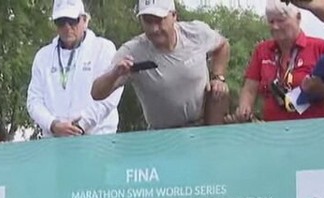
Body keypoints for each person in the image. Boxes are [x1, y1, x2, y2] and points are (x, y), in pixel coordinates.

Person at [90, 0, 231, 129]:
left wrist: (218, 77)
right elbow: (97, 93)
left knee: (220, 93)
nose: (154, 29)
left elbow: (222, 45)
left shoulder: (196, 33)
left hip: (203, 126)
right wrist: (115, 74)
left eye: (159, 21)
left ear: (174, 16)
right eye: (148, 21)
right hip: (162, 133)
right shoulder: (132, 51)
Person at [234, 0, 324, 122]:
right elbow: (249, 89)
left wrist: (321, 88)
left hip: (315, 130)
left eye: (281, 20)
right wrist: (245, 107)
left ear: (298, 17)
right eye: (271, 21)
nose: (275, 26)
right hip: (273, 131)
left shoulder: (321, 47)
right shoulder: (262, 50)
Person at [27, 0, 122, 137]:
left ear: (84, 20)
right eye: (61, 22)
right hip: (55, 142)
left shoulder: (103, 49)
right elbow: (34, 100)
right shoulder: (43, 56)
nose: (67, 27)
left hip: (98, 139)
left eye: (72, 21)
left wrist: (81, 125)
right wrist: (52, 124)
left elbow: (111, 94)